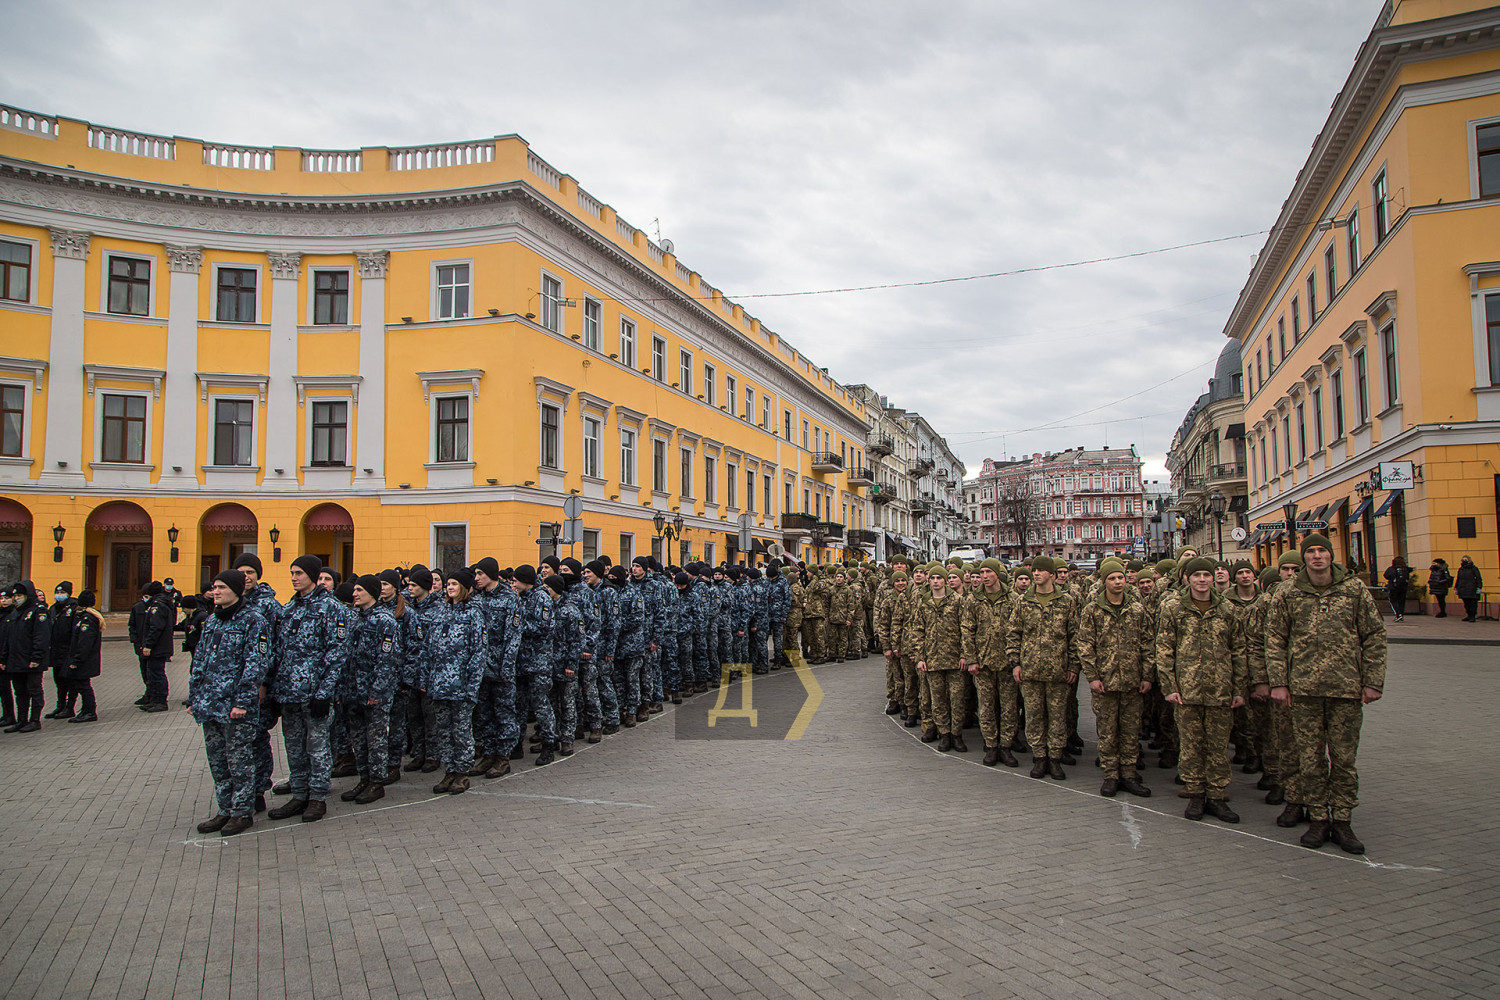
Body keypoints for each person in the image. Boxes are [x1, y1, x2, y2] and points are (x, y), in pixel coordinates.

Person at [1265, 534, 1387, 854]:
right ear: (1304, 557)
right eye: (1311, 552)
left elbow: (1374, 635)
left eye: (1322, 551)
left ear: (1331, 555)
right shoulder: (1288, 592)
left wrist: (1373, 681)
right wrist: (1279, 683)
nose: (1317, 556)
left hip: (1345, 688)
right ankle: (1318, 817)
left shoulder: (1353, 589)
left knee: (1344, 759)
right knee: (1311, 758)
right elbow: (1275, 639)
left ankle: (1342, 819)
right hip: (1303, 690)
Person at [1156, 557, 1247, 824]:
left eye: (1207, 575)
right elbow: (1164, 649)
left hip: (1220, 689)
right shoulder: (1174, 608)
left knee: (1218, 746)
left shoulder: (1227, 609)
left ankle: (1217, 795)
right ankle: (1195, 793)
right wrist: (1169, 686)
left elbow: (1238, 650)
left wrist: (1239, 688)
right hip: (1187, 690)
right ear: (1188, 579)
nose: (1203, 580)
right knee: (1191, 745)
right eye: (1197, 575)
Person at [189, 570, 273, 837]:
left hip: (236, 707)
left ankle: (241, 812)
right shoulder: (213, 621)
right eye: (214, 587)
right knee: (218, 762)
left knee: (240, 762)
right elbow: (200, 661)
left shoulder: (253, 620)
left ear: (236, 590)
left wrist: (243, 702)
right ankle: (225, 809)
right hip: (211, 704)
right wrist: (194, 696)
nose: (216, 592)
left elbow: (256, 664)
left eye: (222, 587)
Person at [266, 555, 348, 824]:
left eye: (299, 573)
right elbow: (279, 651)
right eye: (292, 573)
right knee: (294, 747)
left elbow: (336, 653)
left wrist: (324, 692)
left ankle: (317, 797)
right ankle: (299, 794)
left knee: (317, 747)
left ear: (312, 576)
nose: (293, 578)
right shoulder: (290, 608)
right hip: (289, 693)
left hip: (314, 693)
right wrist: (275, 689)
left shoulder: (330, 608)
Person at [1077, 559, 1153, 798]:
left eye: (1120, 577)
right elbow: (1085, 645)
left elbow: (1148, 643)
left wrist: (1147, 675)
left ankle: (1129, 773)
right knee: (1108, 731)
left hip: (1132, 681)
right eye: (1112, 578)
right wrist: (1092, 676)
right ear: (1104, 582)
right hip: (1105, 682)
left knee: (1130, 730)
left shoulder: (1137, 609)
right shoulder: (1093, 610)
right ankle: (1111, 774)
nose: (1118, 582)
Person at [1008, 556, 1078, 780]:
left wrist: (1073, 666)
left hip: (1058, 670)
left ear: (1052, 575)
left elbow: (1074, 636)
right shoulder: (1023, 601)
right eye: (1034, 570)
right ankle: (1039, 757)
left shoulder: (1066, 601)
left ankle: (1055, 758)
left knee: (1057, 717)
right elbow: (1014, 634)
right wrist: (1015, 663)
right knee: (1034, 716)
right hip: (1030, 670)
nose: (1036, 573)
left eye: (1041, 570)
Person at [339, 576, 402, 805]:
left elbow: (388, 659)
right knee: (358, 739)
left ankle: (376, 782)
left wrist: (377, 691)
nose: (354, 594)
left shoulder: (384, 620)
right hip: (353, 690)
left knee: (376, 739)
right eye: (354, 590)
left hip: (374, 692)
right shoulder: (354, 618)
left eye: (359, 590)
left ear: (372, 593)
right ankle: (364, 778)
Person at [428, 569, 485, 794]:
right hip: (440, 683)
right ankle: (449, 770)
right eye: (448, 584)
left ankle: (462, 772)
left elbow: (478, 652)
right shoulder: (440, 611)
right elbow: (429, 648)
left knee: (461, 731)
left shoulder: (473, 613)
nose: (450, 588)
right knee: (443, 730)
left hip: (461, 685)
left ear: (464, 588)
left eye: (454, 584)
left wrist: (472, 686)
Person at [960, 558, 1020, 767]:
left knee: (1009, 708)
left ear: (997, 573)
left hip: (1006, 662)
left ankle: (1006, 746)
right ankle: (991, 746)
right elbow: (967, 630)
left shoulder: (1013, 599)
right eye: (982, 572)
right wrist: (971, 659)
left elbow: (1018, 631)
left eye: (988, 572)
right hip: (983, 663)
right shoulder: (973, 600)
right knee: (986, 708)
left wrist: (1016, 661)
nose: (984, 576)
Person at [911, 566, 967, 753]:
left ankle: (956, 734)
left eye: (939, 578)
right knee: (938, 700)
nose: (935, 581)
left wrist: (964, 655)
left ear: (945, 581)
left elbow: (965, 629)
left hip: (954, 659)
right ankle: (944, 733)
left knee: (957, 700)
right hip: (932, 659)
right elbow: (918, 630)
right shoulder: (924, 602)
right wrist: (920, 657)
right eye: (933, 578)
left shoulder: (957, 601)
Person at [4, 581, 50, 732]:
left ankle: (34, 720)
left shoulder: (38, 612)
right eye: (15, 596)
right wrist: (4, 658)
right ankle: (21, 720)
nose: (17, 598)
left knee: (34, 690)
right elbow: (8, 638)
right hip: (16, 660)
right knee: (20, 692)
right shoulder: (16, 612)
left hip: (31, 661)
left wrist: (36, 658)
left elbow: (41, 637)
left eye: (20, 595)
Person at [128, 581, 174, 712]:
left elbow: (155, 628)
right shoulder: (161, 603)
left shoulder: (158, 606)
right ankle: (153, 699)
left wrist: (148, 645)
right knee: (152, 673)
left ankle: (160, 701)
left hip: (158, 647)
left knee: (157, 674)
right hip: (159, 646)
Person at [63, 590, 103, 723]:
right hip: (84, 658)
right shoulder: (85, 616)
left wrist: (77, 660)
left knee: (84, 686)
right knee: (81, 685)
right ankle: (86, 710)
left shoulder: (87, 619)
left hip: (85, 660)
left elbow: (85, 642)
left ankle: (90, 711)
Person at [44, 581, 78, 719]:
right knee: (58, 680)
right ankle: (60, 705)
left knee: (69, 680)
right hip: (56, 650)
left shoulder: (74, 608)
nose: (59, 595)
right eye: (57, 593)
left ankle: (70, 707)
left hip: (68, 650)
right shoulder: (53, 609)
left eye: (62, 593)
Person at [1383, 556, 1410, 623]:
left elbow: (1386, 575)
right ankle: (1401, 614)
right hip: (1403, 588)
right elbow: (1408, 577)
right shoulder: (1405, 569)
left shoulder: (1391, 568)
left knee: (1393, 601)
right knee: (1402, 602)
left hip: (1393, 588)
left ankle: (1398, 614)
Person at [1456, 555, 1483, 622]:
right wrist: (1456, 587)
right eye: (1463, 560)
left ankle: (1472, 616)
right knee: (1466, 603)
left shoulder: (1474, 568)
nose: (1464, 561)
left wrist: (1479, 587)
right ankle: (1468, 615)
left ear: (1469, 561)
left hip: (1472, 588)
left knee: (1473, 603)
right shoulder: (1461, 569)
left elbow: (1478, 578)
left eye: (1465, 560)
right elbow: (1458, 579)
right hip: (1463, 588)